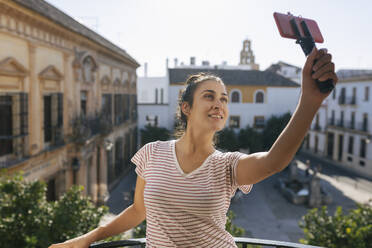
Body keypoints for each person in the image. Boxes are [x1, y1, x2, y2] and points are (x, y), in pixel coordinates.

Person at [49, 47, 337, 248]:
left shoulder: (227, 166)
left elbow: (274, 161)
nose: (219, 104)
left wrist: (310, 100)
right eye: (209, 96)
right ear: (186, 108)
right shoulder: (152, 152)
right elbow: (138, 210)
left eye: (224, 99)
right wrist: (87, 238)